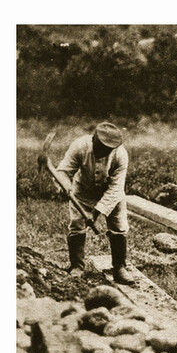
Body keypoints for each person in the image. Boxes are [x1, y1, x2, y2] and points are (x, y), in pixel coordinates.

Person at [48, 122, 134, 285]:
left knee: (119, 226)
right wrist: (65, 185)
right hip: (83, 190)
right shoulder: (80, 146)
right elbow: (64, 171)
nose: (102, 152)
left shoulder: (120, 155)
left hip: (111, 193)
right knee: (77, 225)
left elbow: (115, 189)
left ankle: (119, 267)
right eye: (100, 147)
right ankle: (77, 267)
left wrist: (94, 214)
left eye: (107, 150)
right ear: (93, 139)